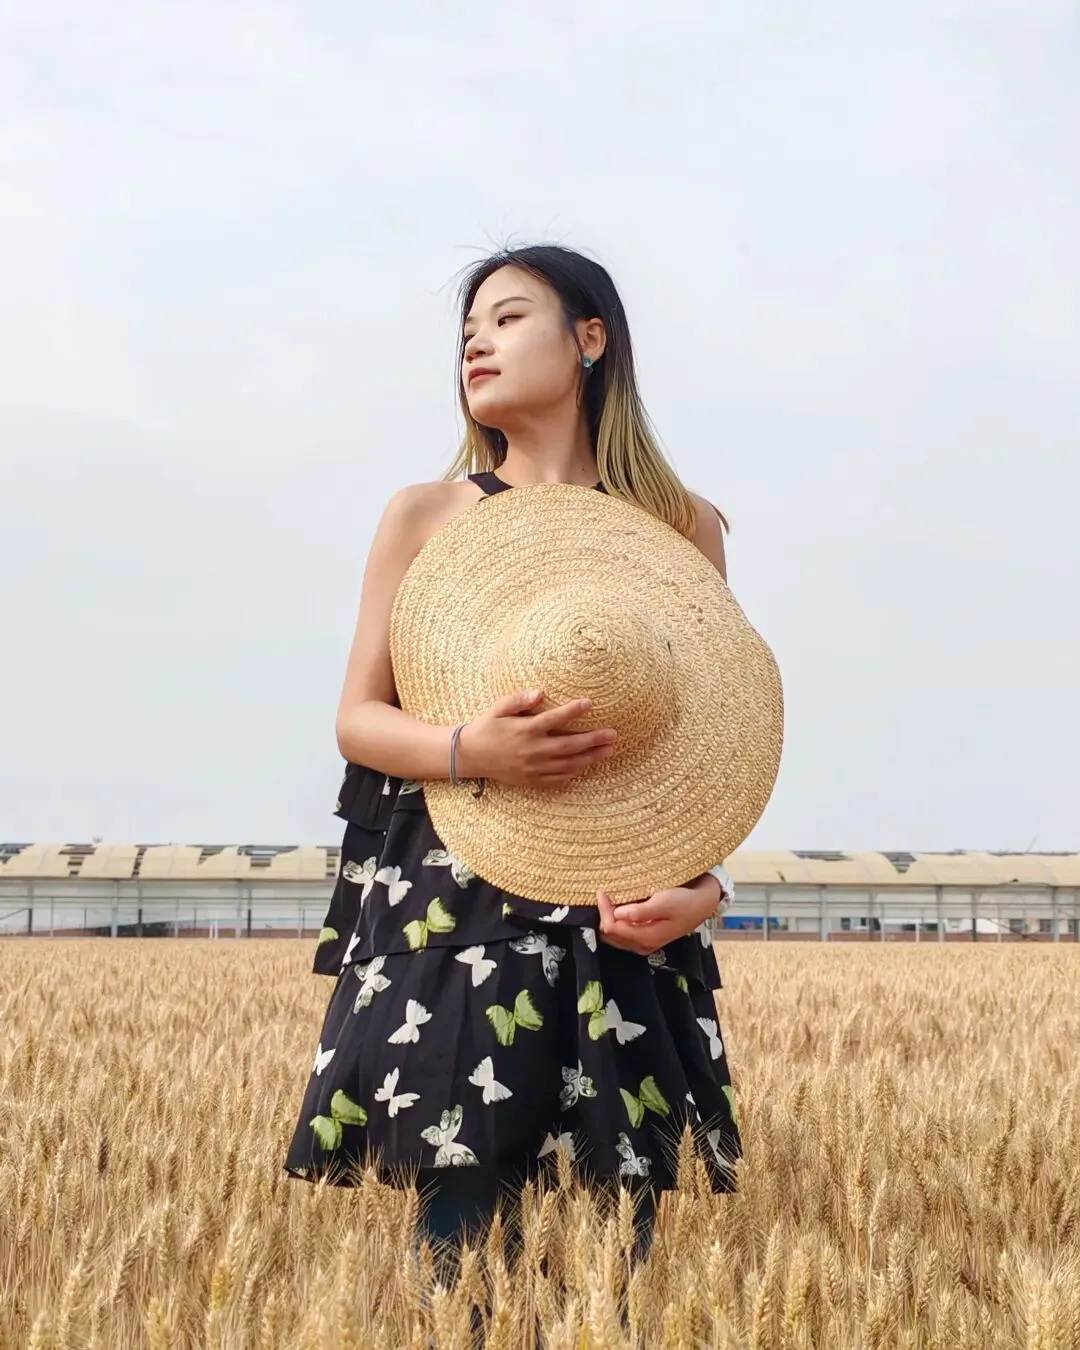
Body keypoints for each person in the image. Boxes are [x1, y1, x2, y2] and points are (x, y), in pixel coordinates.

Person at [283, 244, 741, 1257]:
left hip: (619, 920)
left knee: (614, 1264)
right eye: (466, 332)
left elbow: (704, 749)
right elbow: (359, 717)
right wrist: (471, 750)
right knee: (458, 1250)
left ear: (590, 339)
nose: (476, 344)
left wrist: (703, 893)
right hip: (456, 914)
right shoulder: (426, 514)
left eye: (508, 317)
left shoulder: (680, 526)